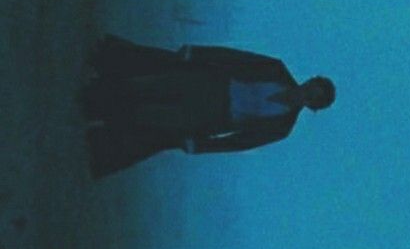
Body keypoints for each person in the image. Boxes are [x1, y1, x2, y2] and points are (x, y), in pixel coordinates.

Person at [80, 34, 336, 178]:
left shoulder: (281, 127)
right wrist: (198, 53)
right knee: (145, 85)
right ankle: (92, 93)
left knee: (149, 117)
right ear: (309, 80)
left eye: (312, 97)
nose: (306, 93)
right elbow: (234, 57)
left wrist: (202, 146)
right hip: (208, 84)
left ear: (312, 107)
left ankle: (93, 117)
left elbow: (240, 142)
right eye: (311, 87)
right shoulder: (275, 69)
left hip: (211, 117)